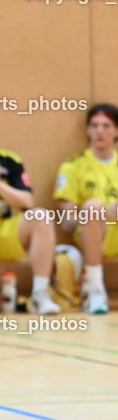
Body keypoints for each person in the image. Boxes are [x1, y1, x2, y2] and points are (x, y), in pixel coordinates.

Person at [0, 109, 62, 316]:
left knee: (41, 216)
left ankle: (41, 293)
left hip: (2, 231)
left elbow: (27, 201)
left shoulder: (8, 160)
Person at [54, 103, 118, 314]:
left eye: (106, 126)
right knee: (93, 207)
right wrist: (99, 213)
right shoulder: (72, 166)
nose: (100, 131)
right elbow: (66, 223)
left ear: (116, 131)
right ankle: (95, 290)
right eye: (95, 125)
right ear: (88, 130)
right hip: (95, 233)